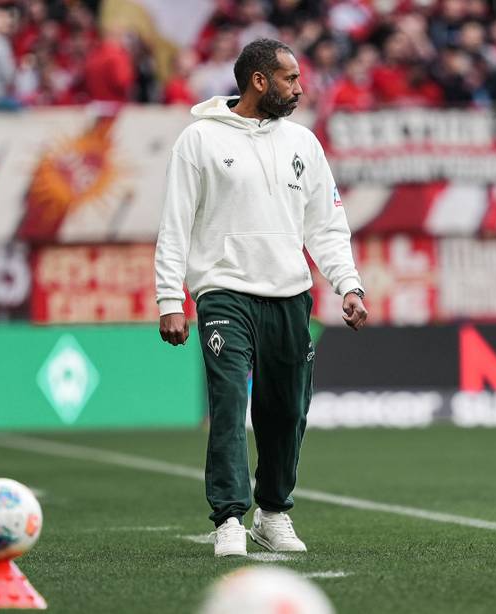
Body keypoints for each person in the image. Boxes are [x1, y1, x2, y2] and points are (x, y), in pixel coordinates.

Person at [154, 38, 367, 558]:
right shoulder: (199, 139)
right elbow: (176, 223)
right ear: (259, 81)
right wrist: (169, 298)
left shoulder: (304, 143)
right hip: (225, 292)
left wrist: (349, 284)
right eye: (290, 79)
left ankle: (273, 514)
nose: (299, 87)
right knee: (229, 406)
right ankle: (229, 518)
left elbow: (326, 225)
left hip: (291, 295)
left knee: (287, 410)